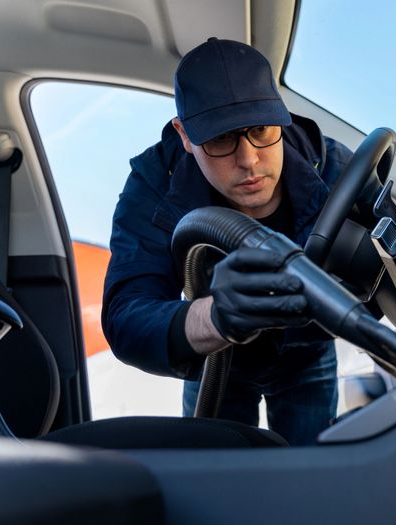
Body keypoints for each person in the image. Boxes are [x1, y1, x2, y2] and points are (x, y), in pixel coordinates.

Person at [101, 38, 352, 445]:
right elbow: (126, 316)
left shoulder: (332, 164)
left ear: (281, 115)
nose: (249, 159)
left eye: (260, 129)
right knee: (218, 483)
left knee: (315, 478)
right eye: (220, 139)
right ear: (184, 135)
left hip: (307, 354)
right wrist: (215, 316)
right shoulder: (153, 181)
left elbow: (386, 273)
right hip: (215, 361)